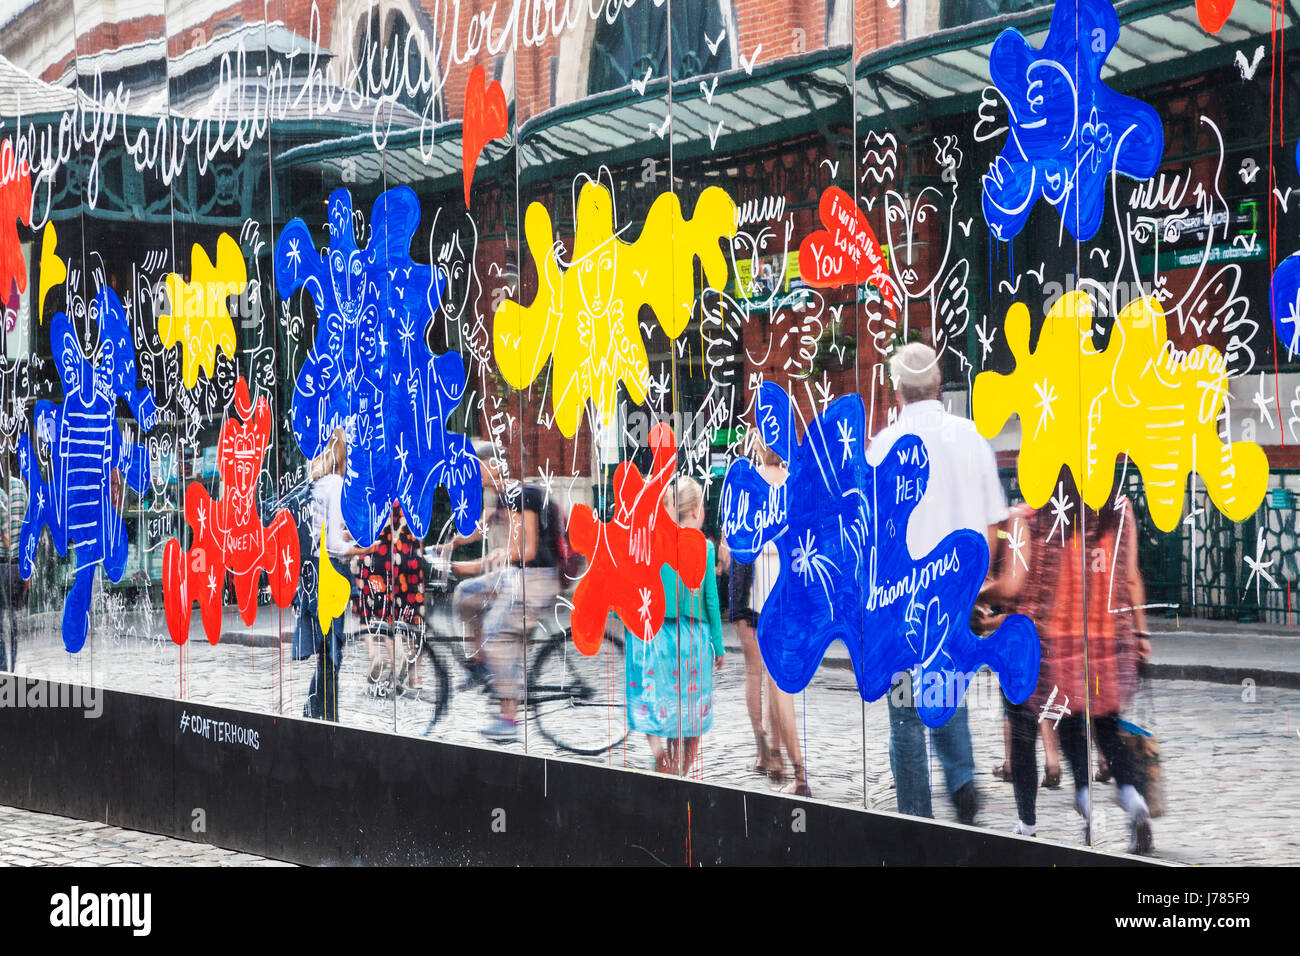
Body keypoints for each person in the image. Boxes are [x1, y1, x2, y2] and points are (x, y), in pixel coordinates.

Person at [865, 341, 1008, 825]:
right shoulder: (970, 438)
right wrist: (978, 585)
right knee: (946, 689)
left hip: (900, 600)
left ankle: (915, 816)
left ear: (898, 390)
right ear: (939, 381)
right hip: (954, 594)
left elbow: (873, 538)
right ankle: (962, 780)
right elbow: (992, 527)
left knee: (905, 714)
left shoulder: (883, 447)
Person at [981, 468, 1154, 853]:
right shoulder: (1120, 511)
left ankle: (1029, 823)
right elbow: (1130, 577)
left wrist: (978, 598)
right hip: (1107, 644)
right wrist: (1141, 633)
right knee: (1105, 728)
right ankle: (1132, 799)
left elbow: (1013, 585)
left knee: (1027, 729)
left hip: (1046, 647)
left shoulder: (1030, 516)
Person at [625, 477, 724, 775]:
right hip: (692, 637)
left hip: (655, 634)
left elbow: (636, 584)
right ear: (695, 511)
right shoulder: (705, 548)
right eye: (703, 506)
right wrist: (718, 645)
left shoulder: (655, 540)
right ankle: (682, 769)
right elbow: (711, 599)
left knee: (658, 702)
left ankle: (660, 754)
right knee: (691, 709)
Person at [476, 460, 564, 742]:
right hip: (526, 579)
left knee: (494, 631)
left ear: (492, 466)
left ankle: (509, 718)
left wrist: (498, 555)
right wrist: (450, 545)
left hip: (537, 580)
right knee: (471, 598)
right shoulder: (505, 497)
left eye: (475, 468)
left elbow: (527, 551)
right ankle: (488, 669)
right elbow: (481, 532)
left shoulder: (518, 496)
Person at [296, 428, 364, 722]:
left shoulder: (318, 484)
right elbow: (334, 546)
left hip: (310, 575)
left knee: (327, 653)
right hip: (330, 577)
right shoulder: (336, 485)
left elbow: (321, 535)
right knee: (331, 655)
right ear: (346, 457)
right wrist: (364, 548)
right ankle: (328, 720)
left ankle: (312, 714)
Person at [0, 462, 27, 671]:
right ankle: (12, 667)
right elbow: (27, 528)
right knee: (13, 621)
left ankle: (2, 669)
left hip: (3, 563)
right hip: (18, 565)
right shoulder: (20, 487)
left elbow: (6, 536)